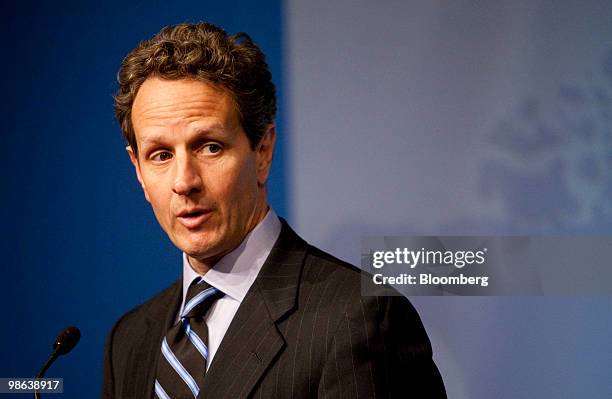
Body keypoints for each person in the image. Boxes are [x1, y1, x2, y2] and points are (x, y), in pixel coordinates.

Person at [102, 22, 446, 399]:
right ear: (138, 170)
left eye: (210, 147)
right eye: (161, 155)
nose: (184, 181)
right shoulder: (131, 339)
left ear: (263, 151)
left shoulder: (358, 318)